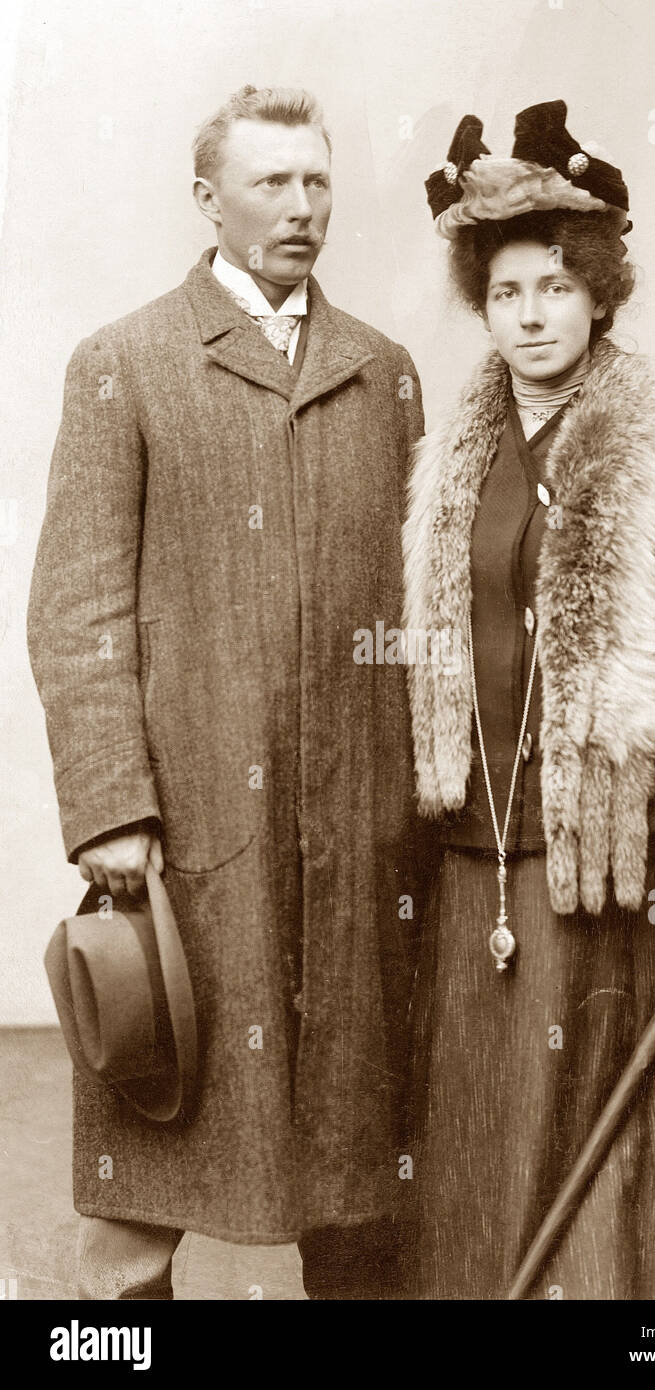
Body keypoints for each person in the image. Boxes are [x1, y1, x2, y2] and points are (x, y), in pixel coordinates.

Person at [27, 84, 427, 1300]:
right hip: (185, 840)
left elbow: (423, 613)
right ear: (209, 199)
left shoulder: (384, 371)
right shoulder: (124, 365)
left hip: (359, 835)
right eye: (271, 183)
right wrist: (111, 813)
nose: (301, 207)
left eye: (315, 181)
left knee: (361, 1183)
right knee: (151, 1170)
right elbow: (75, 610)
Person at [401, 102, 655, 1299]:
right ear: (482, 301)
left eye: (556, 288)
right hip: (493, 839)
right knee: (495, 1107)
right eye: (507, 290)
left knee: (649, 1114)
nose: (530, 315)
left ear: (600, 293)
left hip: (639, 839)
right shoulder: (453, 450)